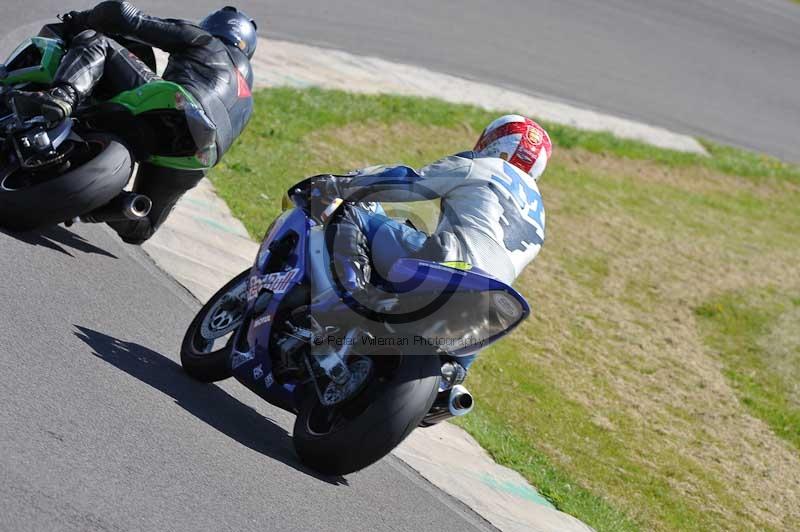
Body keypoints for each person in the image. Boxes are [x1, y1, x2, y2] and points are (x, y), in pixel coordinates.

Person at [317, 115, 551, 371]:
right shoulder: (538, 213)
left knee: (351, 215)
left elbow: (406, 183)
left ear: (493, 143)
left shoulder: (485, 166)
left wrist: (340, 184)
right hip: (494, 297)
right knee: (452, 365)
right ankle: (450, 378)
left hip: (450, 264)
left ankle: (353, 301)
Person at [12, 2, 258, 244]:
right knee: (142, 227)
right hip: (199, 154)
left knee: (96, 40)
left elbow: (124, 15)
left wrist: (80, 19)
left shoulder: (207, 41)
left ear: (215, 28)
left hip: (178, 103)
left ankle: (62, 96)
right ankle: (117, 203)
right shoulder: (247, 103)